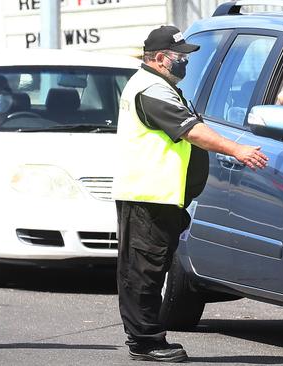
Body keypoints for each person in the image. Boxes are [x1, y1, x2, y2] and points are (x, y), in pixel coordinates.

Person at [111, 25, 268, 363]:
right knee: (144, 271)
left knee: (149, 268)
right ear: (159, 58)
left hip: (159, 196)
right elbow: (192, 131)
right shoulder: (151, 89)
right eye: (180, 57)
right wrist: (236, 149)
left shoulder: (161, 86)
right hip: (147, 196)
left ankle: (144, 338)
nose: (184, 62)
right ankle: (145, 341)